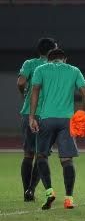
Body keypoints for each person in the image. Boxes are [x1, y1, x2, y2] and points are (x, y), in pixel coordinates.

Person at [28, 48, 85, 210]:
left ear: (49, 59)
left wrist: (32, 116)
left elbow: (34, 92)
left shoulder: (40, 69)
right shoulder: (74, 70)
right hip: (66, 121)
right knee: (67, 160)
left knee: (41, 156)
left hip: (46, 119)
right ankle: (69, 198)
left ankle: (49, 192)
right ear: (65, 59)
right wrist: (83, 115)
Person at [18, 37, 57, 201]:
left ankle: (26, 190)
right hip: (47, 114)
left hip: (29, 112)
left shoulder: (29, 63)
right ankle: (32, 189)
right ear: (52, 51)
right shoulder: (56, 67)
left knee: (28, 154)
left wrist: (24, 94)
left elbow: (21, 82)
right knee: (42, 155)